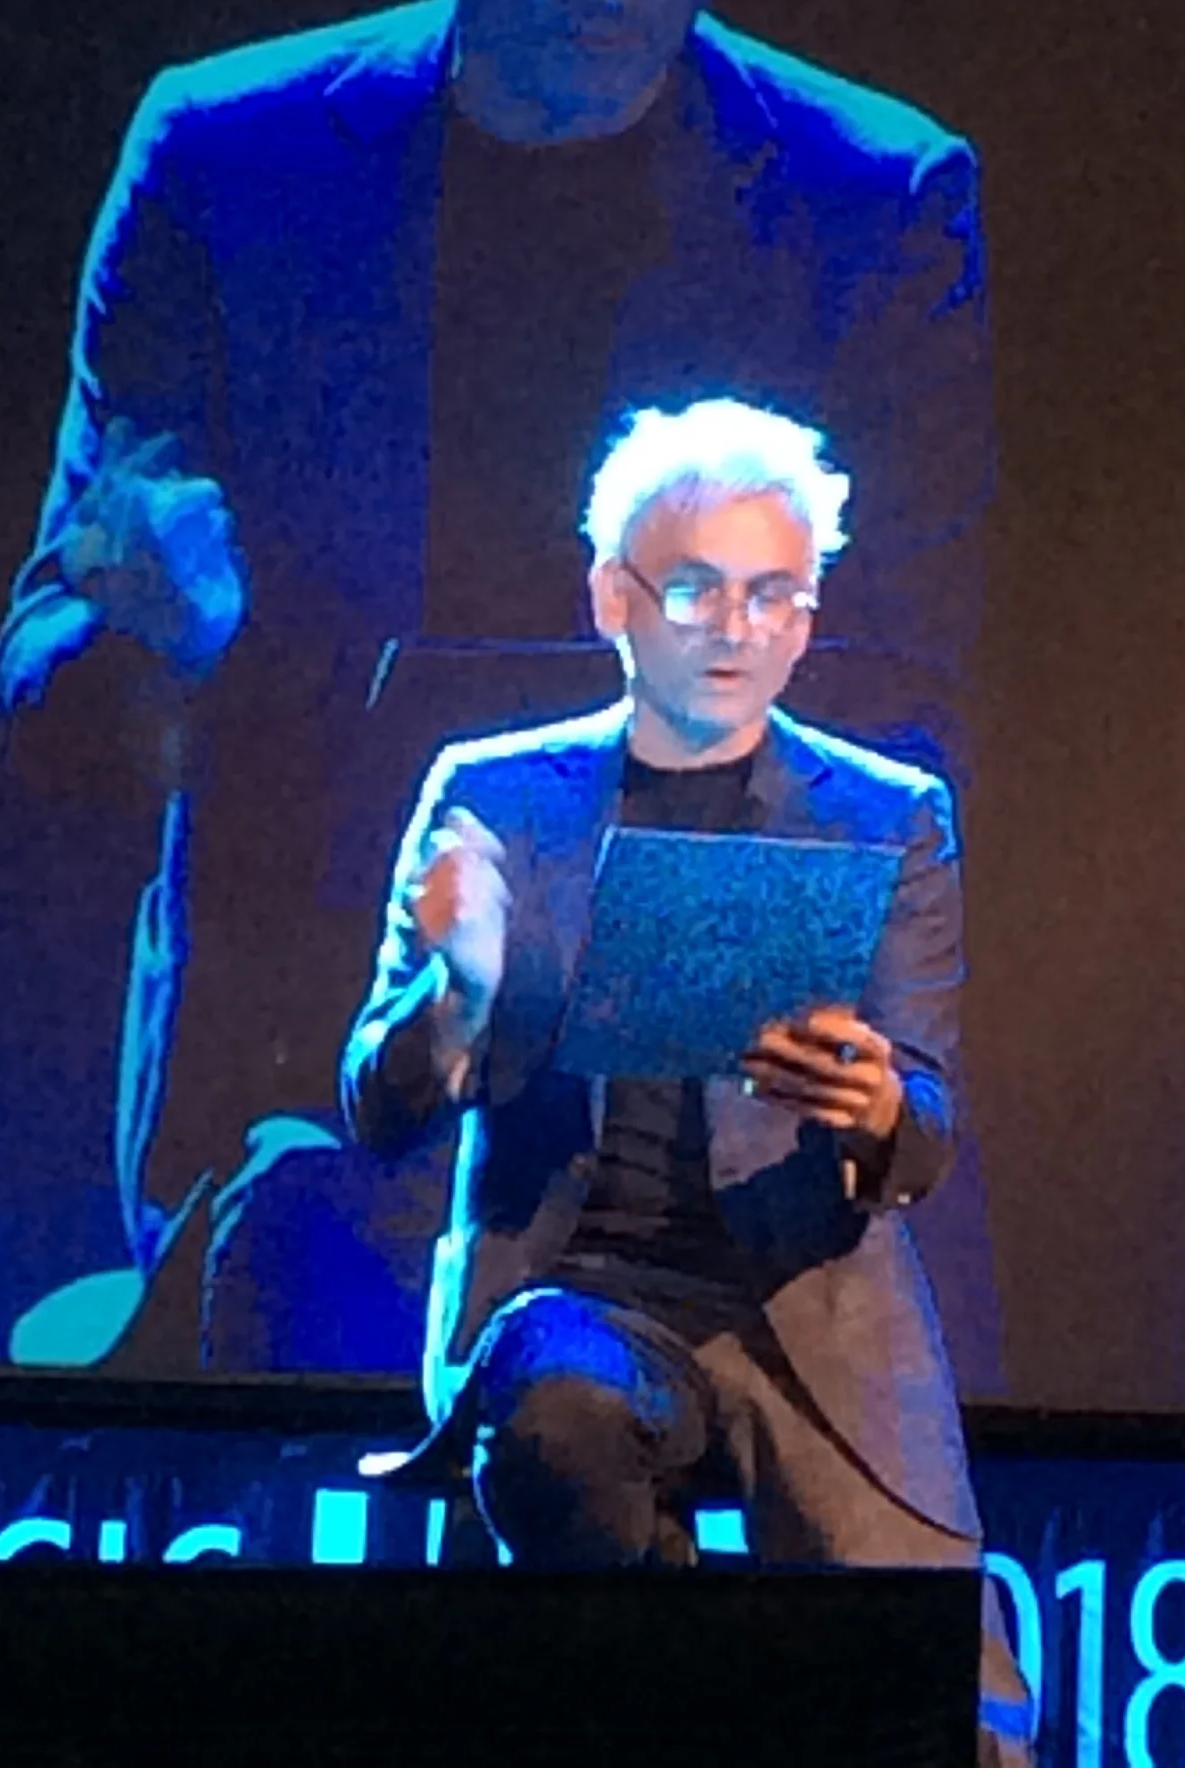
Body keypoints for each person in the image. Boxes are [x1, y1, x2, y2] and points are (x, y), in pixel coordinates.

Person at [0, 0, 992, 1374]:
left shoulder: (871, 204)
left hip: (712, 1133)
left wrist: (607, 1074)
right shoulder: (226, 164)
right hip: (290, 1113)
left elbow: (897, 709)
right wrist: (169, 649)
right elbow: (53, 714)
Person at [342, 398, 1032, 1765]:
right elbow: (378, 1108)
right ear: (614, 598)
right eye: (696, 588)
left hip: (808, 1306)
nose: (735, 628)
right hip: (576, 1296)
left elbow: (928, 1120)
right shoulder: (495, 798)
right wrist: (456, 991)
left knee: (951, 1698)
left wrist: (877, 1106)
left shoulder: (885, 813)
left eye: (774, 595)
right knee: (556, 1418)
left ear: (808, 616)